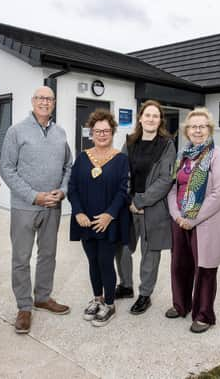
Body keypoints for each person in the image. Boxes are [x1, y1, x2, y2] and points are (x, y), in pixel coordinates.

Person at [0, 86, 72, 334]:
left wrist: (62, 191)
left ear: (53, 103)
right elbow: (7, 169)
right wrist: (34, 197)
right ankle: (24, 307)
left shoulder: (61, 133)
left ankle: (43, 296)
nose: (45, 102)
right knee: (21, 258)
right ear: (32, 101)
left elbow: (68, 167)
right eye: (40, 98)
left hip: (53, 206)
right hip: (25, 207)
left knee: (48, 254)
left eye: (49, 99)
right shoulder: (16, 131)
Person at [166, 107, 220, 333]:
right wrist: (177, 215)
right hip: (180, 221)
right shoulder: (182, 155)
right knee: (179, 265)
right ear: (187, 130)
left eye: (202, 126)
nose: (197, 130)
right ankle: (181, 304)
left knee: (205, 268)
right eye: (193, 126)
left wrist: (193, 220)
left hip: (207, 222)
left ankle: (203, 314)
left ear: (209, 130)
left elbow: (219, 194)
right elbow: (172, 188)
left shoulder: (217, 155)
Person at [68, 109, 130, 327]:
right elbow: (72, 187)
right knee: (92, 261)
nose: (102, 134)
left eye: (106, 130)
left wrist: (109, 215)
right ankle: (97, 298)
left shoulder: (121, 159)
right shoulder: (83, 158)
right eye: (97, 131)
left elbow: (123, 191)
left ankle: (110, 304)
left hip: (108, 223)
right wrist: (78, 212)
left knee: (105, 261)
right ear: (91, 133)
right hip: (85, 221)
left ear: (112, 132)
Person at [115, 100, 176, 315]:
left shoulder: (167, 144)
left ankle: (145, 294)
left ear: (160, 120)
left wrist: (140, 201)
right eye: (147, 115)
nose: (151, 119)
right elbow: (121, 172)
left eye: (155, 115)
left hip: (154, 209)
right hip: (128, 207)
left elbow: (165, 179)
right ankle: (126, 286)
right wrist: (128, 201)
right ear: (140, 118)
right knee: (122, 248)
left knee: (150, 253)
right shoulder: (130, 142)